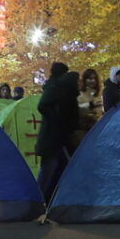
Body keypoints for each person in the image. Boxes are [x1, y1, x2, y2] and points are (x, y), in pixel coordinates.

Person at [36, 61, 80, 196]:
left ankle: (46, 200)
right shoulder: (55, 88)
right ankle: (40, 201)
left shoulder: (56, 87)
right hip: (53, 139)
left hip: (55, 138)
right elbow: (43, 105)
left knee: (54, 171)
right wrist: (56, 120)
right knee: (49, 171)